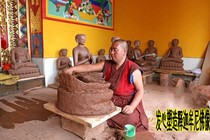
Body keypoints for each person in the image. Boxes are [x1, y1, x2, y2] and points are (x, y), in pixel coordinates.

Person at [64, 39, 148, 131]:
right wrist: (72, 69)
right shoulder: (107, 64)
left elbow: (140, 90)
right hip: (109, 98)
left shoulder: (133, 69)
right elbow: (90, 67)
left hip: (127, 101)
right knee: (90, 106)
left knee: (130, 120)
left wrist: (132, 106)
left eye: (115, 50)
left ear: (124, 52)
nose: (111, 52)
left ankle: (108, 120)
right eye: (110, 49)